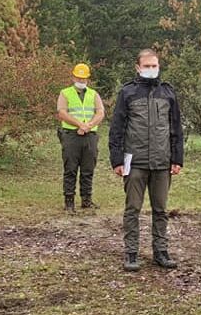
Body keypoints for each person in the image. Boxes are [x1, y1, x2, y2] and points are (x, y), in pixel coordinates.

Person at [109, 49, 183, 271]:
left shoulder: (168, 93)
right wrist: (117, 160)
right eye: (147, 65)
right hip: (136, 162)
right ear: (138, 67)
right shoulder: (128, 93)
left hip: (162, 162)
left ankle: (160, 251)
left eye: (155, 65)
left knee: (160, 210)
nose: (152, 69)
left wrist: (177, 158)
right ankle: (131, 253)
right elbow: (117, 129)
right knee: (133, 209)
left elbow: (176, 128)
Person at [56, 63, 105, 213]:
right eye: (78, 77)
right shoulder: (65, 93)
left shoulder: (93, 94)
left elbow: (100, 112)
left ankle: (86, 200)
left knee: (88, 168)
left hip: (90, 135)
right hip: (71, 135)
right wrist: (79, 124)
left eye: (84, 78)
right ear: (73, 77)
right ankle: (69, 201)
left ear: (88, 79)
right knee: (70, 168)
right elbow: (62, 112)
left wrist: (89, 125)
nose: (81, 80)